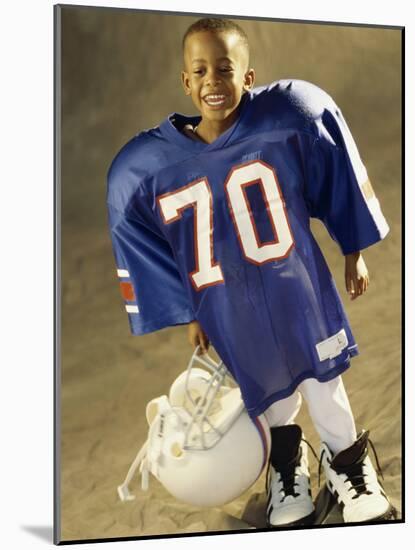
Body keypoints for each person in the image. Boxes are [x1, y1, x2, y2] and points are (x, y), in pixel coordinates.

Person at [107, 17, 396, 527]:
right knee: (270, 389)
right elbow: (145, 239)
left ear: (248, 76)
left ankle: (347, 460)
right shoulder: (149, 167)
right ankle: (289, 463)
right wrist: (187, 309)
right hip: (228, 303)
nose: (213, 81)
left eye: (225, 68)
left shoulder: (287, 117)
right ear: (185, 81)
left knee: (324, 382)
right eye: (200, 70)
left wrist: (354, 248)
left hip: (298, 287)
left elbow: (334, 172)